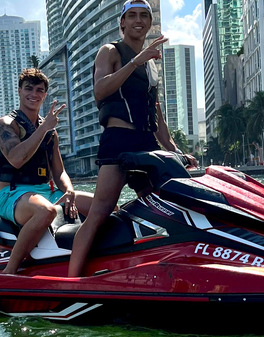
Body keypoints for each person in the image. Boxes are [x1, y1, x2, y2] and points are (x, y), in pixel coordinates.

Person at [68, 0, 196, 277]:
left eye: (144, 16)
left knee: (169, 206)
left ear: (150, 23)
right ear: (122, 22)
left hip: (147, 145)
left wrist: (175, 151)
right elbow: (100, 90)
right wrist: (136, 61)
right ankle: (72, 279)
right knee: (100, 212)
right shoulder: (110, 51)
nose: (138, 20)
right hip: (119, 140)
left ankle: (169, 267)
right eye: (132, 15)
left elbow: (157, 115)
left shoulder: (152, 66)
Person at [0, 68, 93, 274]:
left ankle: (98, 259)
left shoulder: (49, 130)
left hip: (45, 191)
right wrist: (44, 128)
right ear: (19, 91)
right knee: (46, 211)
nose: (34, 94)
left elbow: (59, 172)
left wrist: (69, 192)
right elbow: (17, 159)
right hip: (12, 194)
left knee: (105, 207)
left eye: (39, 90)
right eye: (28, 88)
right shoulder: (5, 125)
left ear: (45, 95)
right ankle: (10, 271)